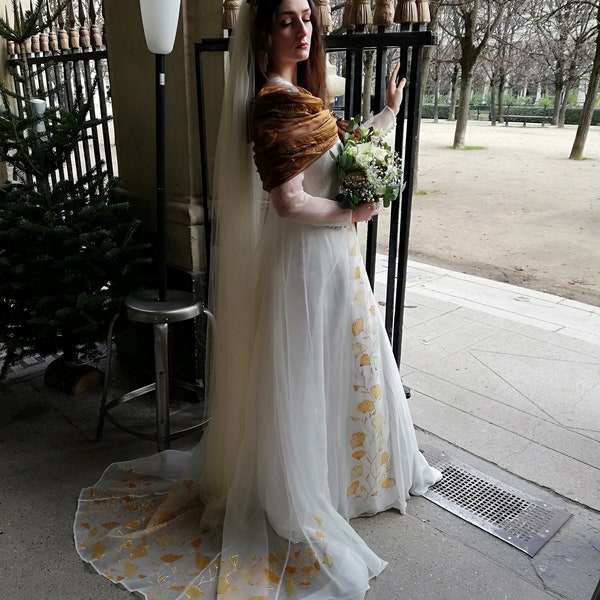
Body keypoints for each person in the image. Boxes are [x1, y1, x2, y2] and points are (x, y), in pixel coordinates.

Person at [73, 1, 441, 598]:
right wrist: (356, 211)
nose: (303, 30)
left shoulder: (302, 96)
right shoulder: (273, 101)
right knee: (303, 368)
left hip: (330, 256)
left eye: (307, 18)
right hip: (304, 257)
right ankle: (304, 486)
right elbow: (292, 202)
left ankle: (346, 478)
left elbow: (332, 161)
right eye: (287, 20)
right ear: (264, 32)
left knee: (337, 361)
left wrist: (386, 115)